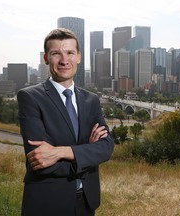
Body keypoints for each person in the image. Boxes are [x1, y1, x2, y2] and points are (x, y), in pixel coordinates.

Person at [17, 28, 114, 216]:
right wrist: (87, 153)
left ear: (78, 56)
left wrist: (61, 151)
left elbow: (106, 147)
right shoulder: (30, 98)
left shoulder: (91, 100)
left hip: (86, 203)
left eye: (70, 53)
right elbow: (41, 161)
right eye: (56, 54)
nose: (64, 60)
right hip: (47, 204)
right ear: (46, 58)